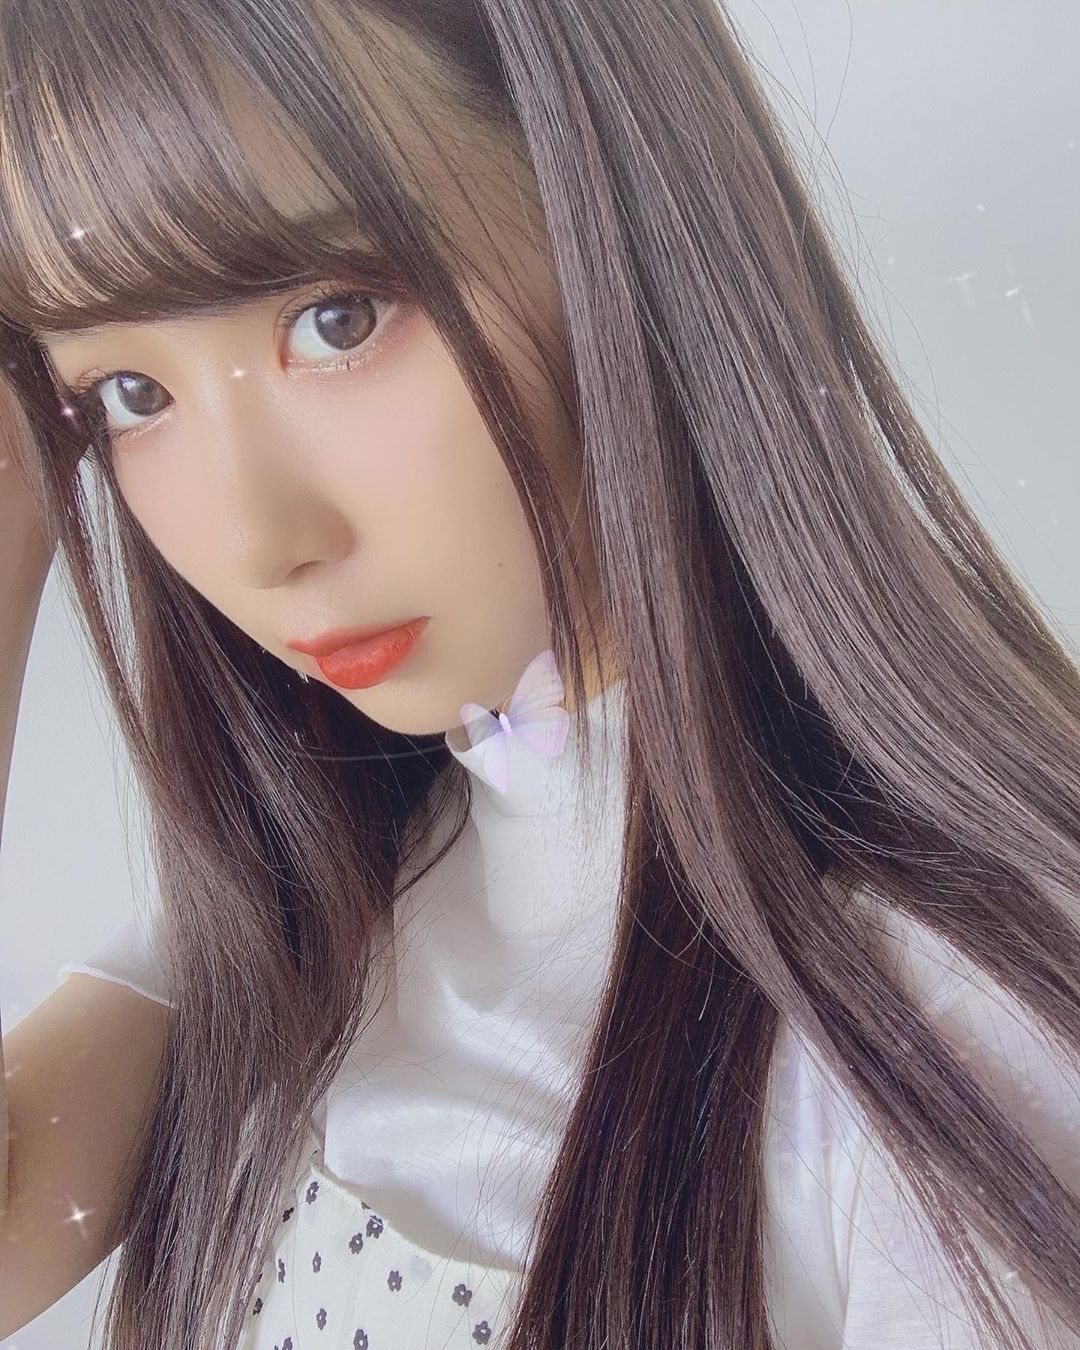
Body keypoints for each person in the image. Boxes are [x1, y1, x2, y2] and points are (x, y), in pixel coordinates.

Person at [1, 0, 1079, 1346]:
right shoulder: (311, 912)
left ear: (614, 219)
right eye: (129, 395)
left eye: (337, 319)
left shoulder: (949, 1029)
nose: (256, 539)